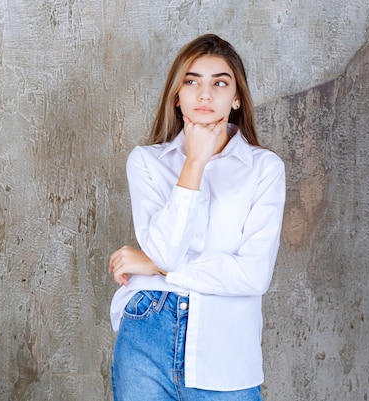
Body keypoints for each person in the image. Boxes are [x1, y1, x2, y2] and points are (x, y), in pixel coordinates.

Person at [108, 34, 286, 401]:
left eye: (219, 83)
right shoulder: (147, 162)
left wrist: (155, 267)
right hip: (147, 331)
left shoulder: (264, 169)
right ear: (178, 95)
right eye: (192, 82)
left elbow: (253, 275)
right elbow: (168, 252)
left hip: (226, 351)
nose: (205, 95)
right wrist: (195, 162)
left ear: (236, 98)